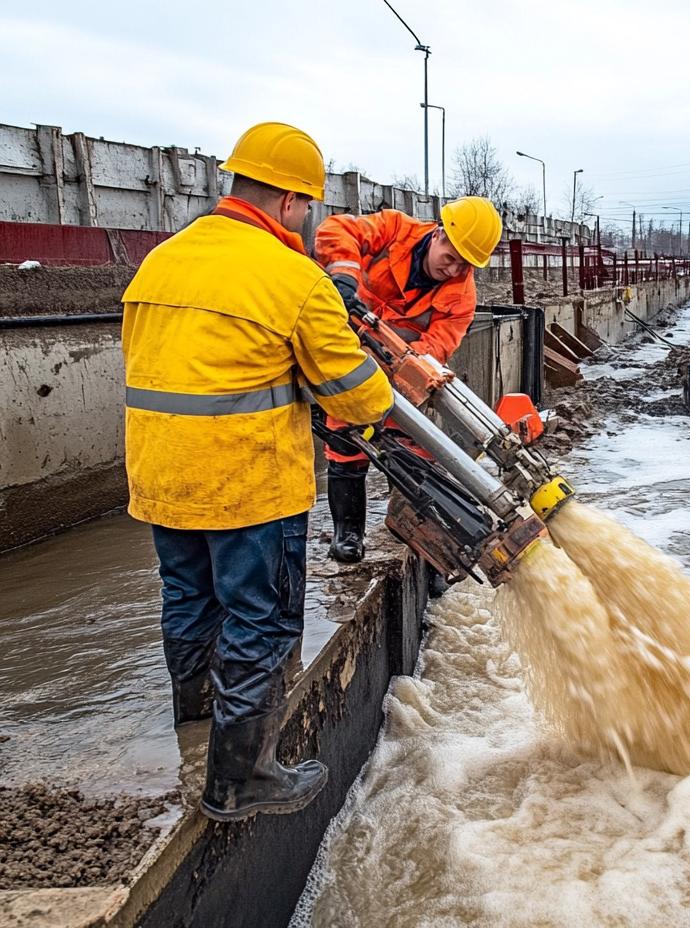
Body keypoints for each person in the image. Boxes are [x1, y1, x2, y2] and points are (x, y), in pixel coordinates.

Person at [121, 122, 393, 822]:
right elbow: (359, 395)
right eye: (307, 207)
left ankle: (197, 721)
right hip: (246, 485)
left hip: (162, 476)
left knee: (189, 599)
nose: (307, 221)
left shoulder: (162, 262)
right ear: (289, 202)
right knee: (263, 622)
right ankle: (240, 780)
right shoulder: (291, 277)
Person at [313, 197, 502, 563]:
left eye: (465, 265)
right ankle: (348, 533)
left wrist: (396, 368)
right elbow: (336, 229)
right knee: (343, 438)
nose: (454, 269)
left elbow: (437, 347)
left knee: (414, 447)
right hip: (337, 349)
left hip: (392, 372)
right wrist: (344, 278)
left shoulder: (462, 297)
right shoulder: (393, 230)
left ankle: (418, 534)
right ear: (439, 234)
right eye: (451, 257)